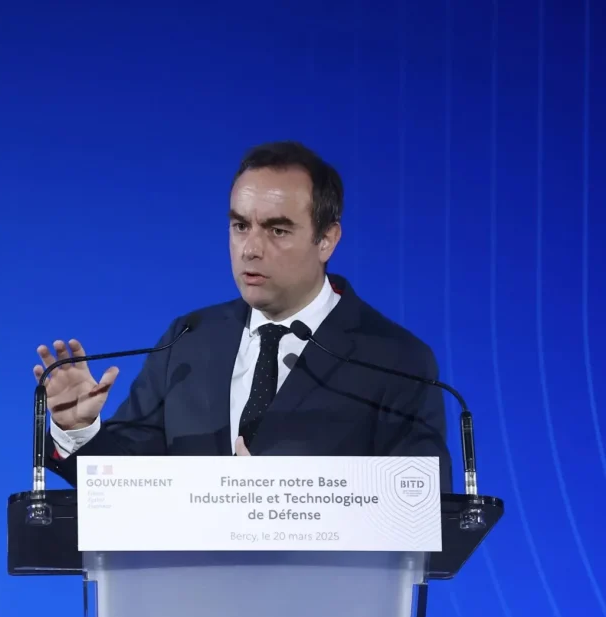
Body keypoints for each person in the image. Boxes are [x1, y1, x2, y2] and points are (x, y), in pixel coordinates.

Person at [34, 141, 453, 492]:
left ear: (327, 239)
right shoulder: (188, 339)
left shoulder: (396, 361)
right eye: (239, 226)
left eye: (277, 230)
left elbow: (421, 508)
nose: (251, 249)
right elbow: (125, 484)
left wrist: (292, 504)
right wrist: (79, 429)